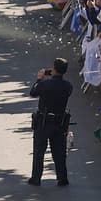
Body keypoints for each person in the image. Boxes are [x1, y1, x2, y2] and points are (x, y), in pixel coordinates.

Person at [27, 57, 73, 187]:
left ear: (53, 69)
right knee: (59, 151)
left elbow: (33, 92)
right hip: (60, 122)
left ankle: (36, 177)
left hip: (44, 121)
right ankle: (62, 178)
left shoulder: (45, 84)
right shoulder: (68, 86)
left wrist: (40, 78)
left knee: (39, 150)